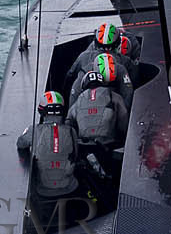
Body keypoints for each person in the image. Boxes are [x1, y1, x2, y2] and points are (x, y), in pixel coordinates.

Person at [68, 51, 130, 180]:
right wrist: (122, 138)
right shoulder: (115, 96)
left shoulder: (78, 99)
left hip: (83, 144)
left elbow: (69, 122)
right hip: (108, 142)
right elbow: (124, 119)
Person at [16, 89, 83, 203]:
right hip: (69, 188)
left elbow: (20, 143)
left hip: (43, 190)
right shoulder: (72, 131)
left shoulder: (34, 130)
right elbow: (75, 155)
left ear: (42, 111)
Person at [67, 20, 139, 102]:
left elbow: (70, 78)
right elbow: (133, 85)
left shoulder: (83, 57)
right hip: (114, 105)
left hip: (85, 103)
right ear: (118, 43)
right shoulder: (125, 62)